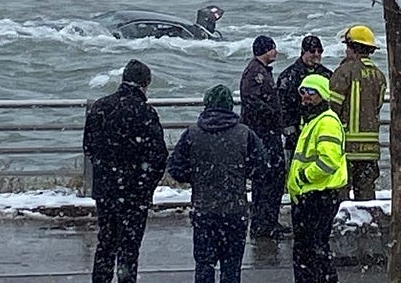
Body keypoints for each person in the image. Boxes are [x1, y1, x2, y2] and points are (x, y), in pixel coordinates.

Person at [167, 85, 268, 283]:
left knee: (204, 265)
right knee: (231, 267)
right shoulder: (245, 134)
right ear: (230, 107)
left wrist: (196, 177)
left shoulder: (192, 133)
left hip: (204, 210)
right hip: (234, 211)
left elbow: (175, 168)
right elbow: (262, 168)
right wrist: (241, 174)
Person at [83, 59, 168, 283]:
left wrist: (105, 174)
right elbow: (159, 157)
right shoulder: (146, 112)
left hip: (107, 190)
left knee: (106, 243)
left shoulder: (101, 107)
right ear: (144, 84)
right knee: (130, 248)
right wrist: (145, 185)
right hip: (134, 193)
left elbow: (88, 147)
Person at [287, 74, 347, 283]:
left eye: (311, 92)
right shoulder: (313, 120)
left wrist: (304, 176)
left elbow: (328, 161)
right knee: (310, 249)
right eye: (302, 91)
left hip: (318, 195)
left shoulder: (327, 122)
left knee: (313, 250)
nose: (306, 97)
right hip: (309, 195)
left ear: (322, 94)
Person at [329, 25, 386, 201]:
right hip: (370, 148)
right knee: (366, 193)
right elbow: (377, 106)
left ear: (352, 48)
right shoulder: (379, 75)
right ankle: (367, 226)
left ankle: (343, 226)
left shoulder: (344, 72)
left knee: (341, 193)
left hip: (347, 147)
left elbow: (332, 109)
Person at [239, 35, 289, 239]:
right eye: (272, 48)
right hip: (263, 134)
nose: (275, 52)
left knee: (273, 179)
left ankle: (269, 221)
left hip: (268, 133)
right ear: (264, 50)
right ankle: (263, 223)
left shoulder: (262, 71)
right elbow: (251, 102)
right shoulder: (255, 73)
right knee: (267, 180)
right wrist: (272, 113)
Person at [277, 35, 333, 166]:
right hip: (296, 134)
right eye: (312, 51)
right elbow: (281, 105)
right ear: (303, 51)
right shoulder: (289, 76)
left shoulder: (327, 75)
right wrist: (288, 128)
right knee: (295, 167)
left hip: (321, 130)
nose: (316, 54)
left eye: (320, 51)